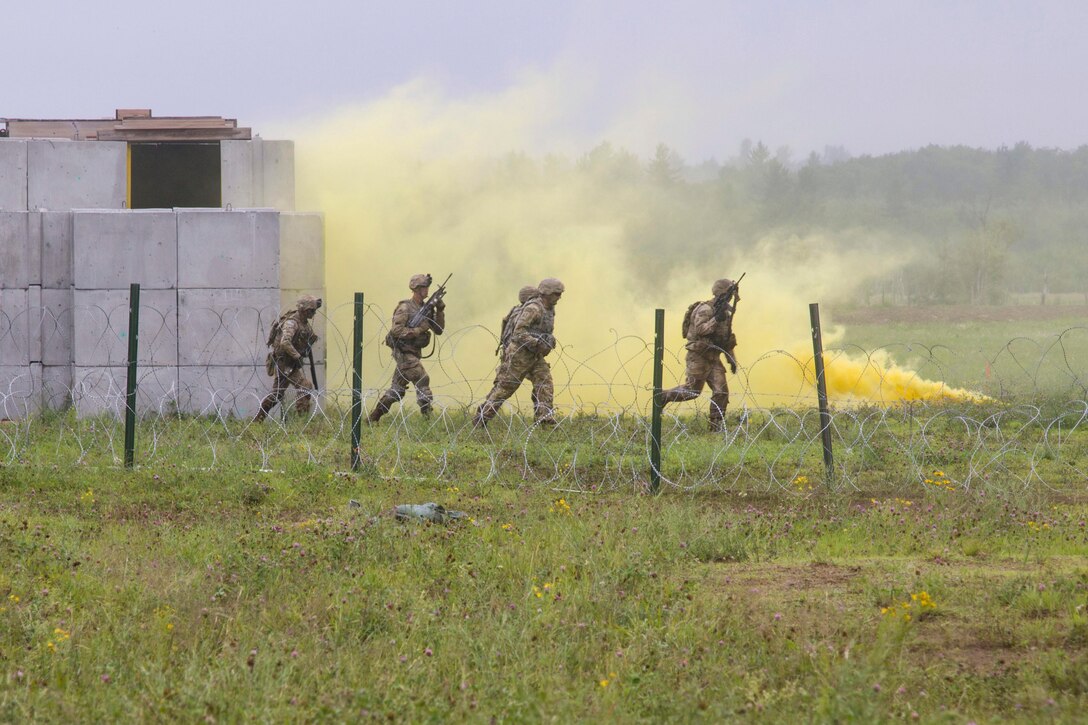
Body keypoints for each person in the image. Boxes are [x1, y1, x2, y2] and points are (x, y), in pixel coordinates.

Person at [474, 278, 563, 427]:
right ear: (546, 293)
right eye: (556, 293)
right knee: (505, 389)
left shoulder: (549, 310)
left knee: (545, 383)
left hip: (535, 355)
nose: (559, 297)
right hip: (519, 355)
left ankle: (545, 420)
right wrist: (537, 343)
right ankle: (482, 418)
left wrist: (549, 342)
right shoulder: (534, 308)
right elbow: (518, 333)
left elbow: (546, 332)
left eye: (560, 293)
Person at [660, 278, 740, 431]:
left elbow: (726, 339)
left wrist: (732, 360)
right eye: (728, 294)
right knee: (692, 391)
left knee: (721, 391)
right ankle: (663, 396)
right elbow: (701, 330)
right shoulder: (705, 309)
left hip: (714, 358)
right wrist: (716, 320)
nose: (730, 298)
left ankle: (716, 426)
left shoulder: (725, 314)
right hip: (698, 356)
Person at [368, 274, 446, 423]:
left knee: (396, 391)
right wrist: (418, 330)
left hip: (413, 353)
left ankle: (373, 418)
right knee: (423, 379)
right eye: (424, 287)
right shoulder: (405, 308)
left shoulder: (426, 308)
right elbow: (396, 331)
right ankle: (428, 420)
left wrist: (440, 310)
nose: (427, 290)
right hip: (404, 353)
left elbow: (439, 329)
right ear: (416, 289)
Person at [253, 294, 321, 422]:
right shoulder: (292, 323)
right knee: (305, 386)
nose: (314, 313)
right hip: (285, 364)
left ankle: (258, 419)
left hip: (290, 364)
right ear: (304, 310)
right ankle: (302, 421)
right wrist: (297, 355)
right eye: (312, 310)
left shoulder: (304, 324)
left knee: (277, 395)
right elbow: (285, 342)